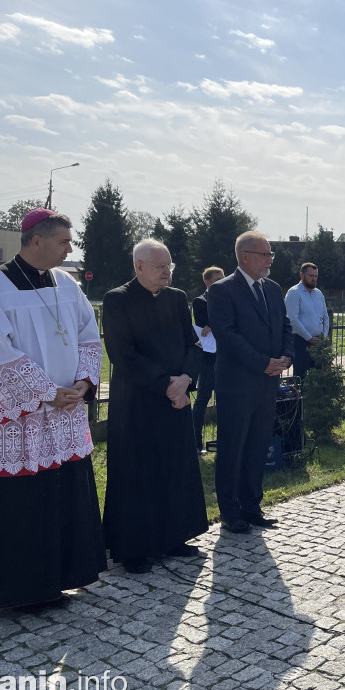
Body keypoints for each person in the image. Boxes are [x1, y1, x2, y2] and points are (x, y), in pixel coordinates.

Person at [0, 210, 106, 609]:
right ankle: (18, 591)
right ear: (36, 241)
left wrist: (82, 382)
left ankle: (60, 578)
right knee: (24, 504)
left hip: (65, 413)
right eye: (64, 241)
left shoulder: (67, 283)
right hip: (25, 417)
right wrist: (46, 393)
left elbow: (87, 333)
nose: (69, 248)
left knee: (61, 497)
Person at [102, 239, 209, 574]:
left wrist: (186, 379)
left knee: (174, 467)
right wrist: (167, 384)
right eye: (161, 266)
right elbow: (123, 354)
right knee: (138, 473)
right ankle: (134, 547)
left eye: (170, 266)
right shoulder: (117, 299)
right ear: (139, 266)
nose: (167, 272)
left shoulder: (177, 299)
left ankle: (173, 536)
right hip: (137, 402)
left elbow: (194, 344)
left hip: (175, 399)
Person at [208, 231, 293, 534]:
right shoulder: (222, 290)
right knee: (233, 448)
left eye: (271, 254)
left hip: (267, 384)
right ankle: (230, 512)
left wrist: (285, 356)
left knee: (258, 445)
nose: (270, 259)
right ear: (245, 256)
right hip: (238, 384)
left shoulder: (271, 288)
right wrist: (263, 363)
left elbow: (284, 325)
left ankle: (251, 505)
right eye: (265, 254)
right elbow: (227, 335)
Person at [192, 266, 225, 453]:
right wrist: (213, 325)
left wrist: (213, 326)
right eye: (218, 279)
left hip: (225, 356)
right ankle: (196, 442)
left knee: (224, 399)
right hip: (208, 357)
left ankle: (223, 440)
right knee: (203, 398)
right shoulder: (200, 301)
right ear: (208, 282)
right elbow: (205, 322)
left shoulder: (227, 299)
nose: (222, 282)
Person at [284, 262, 329, 380]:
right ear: (301, 275)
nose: (313, 279)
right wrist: (309, 338)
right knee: (301, 377)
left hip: (319, 341)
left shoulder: (318, 294)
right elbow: (293, 319)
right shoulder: (294, 293)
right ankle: (300, 399)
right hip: (301, 342)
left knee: (320, 378)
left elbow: (325, 317)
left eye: (315, 276)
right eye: (310, 276)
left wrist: (323, 337)